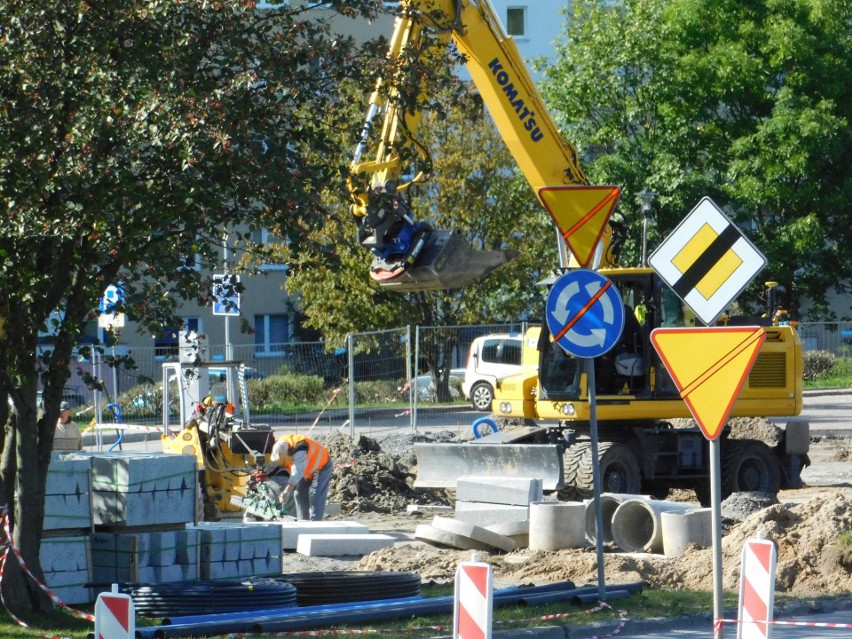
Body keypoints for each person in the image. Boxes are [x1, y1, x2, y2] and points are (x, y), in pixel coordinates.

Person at [270, 434, 333, 521]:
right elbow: (273, 463)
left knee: (315, 495)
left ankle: (315, 523)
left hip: (321, 466)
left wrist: (286, 491)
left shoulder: (300, 449)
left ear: (287, 453)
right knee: (298, 494)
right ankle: (303, 521)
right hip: (306, 470)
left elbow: (297, 473)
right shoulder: (279, 445)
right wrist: (263, 473)